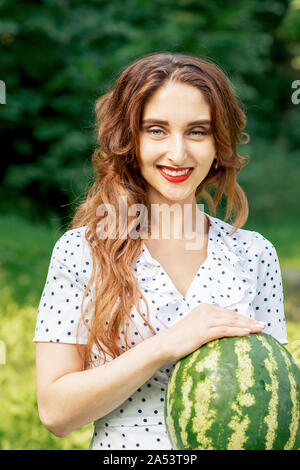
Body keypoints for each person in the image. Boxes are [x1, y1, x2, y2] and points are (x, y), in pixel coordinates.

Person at [33, 52, 288, 450]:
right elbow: (55, 412)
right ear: (129, 139)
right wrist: (167, 344)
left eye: (197, 131)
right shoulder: (82, 252)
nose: (178, 153)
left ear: (219, 142)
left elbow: (279, 404)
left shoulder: (255, 254)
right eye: (156, 130)